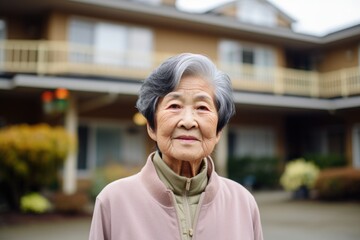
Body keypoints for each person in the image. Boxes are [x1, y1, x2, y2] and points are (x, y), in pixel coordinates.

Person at [89, 53, 263, 240]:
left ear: (218, 131)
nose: (188, 122)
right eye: (174, 106)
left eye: (202, 107)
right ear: (151, 126)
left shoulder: (243, 203)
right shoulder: (114, 201)